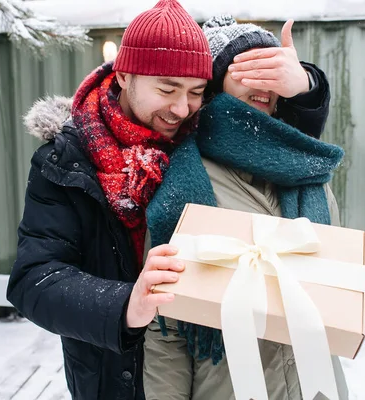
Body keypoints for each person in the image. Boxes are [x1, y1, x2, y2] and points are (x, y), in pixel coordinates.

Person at [5, 1, 213, 399]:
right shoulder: (66, 161)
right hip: (113, 377)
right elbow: (34, 279)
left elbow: (270, 138)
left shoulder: (203, 141)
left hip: (203, 372)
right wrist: (124, 306)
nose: (181, 108)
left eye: (196, 92)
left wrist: (306, 89)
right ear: (124, 76)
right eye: (167, 89)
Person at [143, 15, 349, 400]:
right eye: (247, 68)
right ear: (215, 82)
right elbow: (166, 327)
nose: (263, 81)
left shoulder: (309, 171)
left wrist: (308, 83)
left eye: (271, 68)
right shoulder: (186, 180)